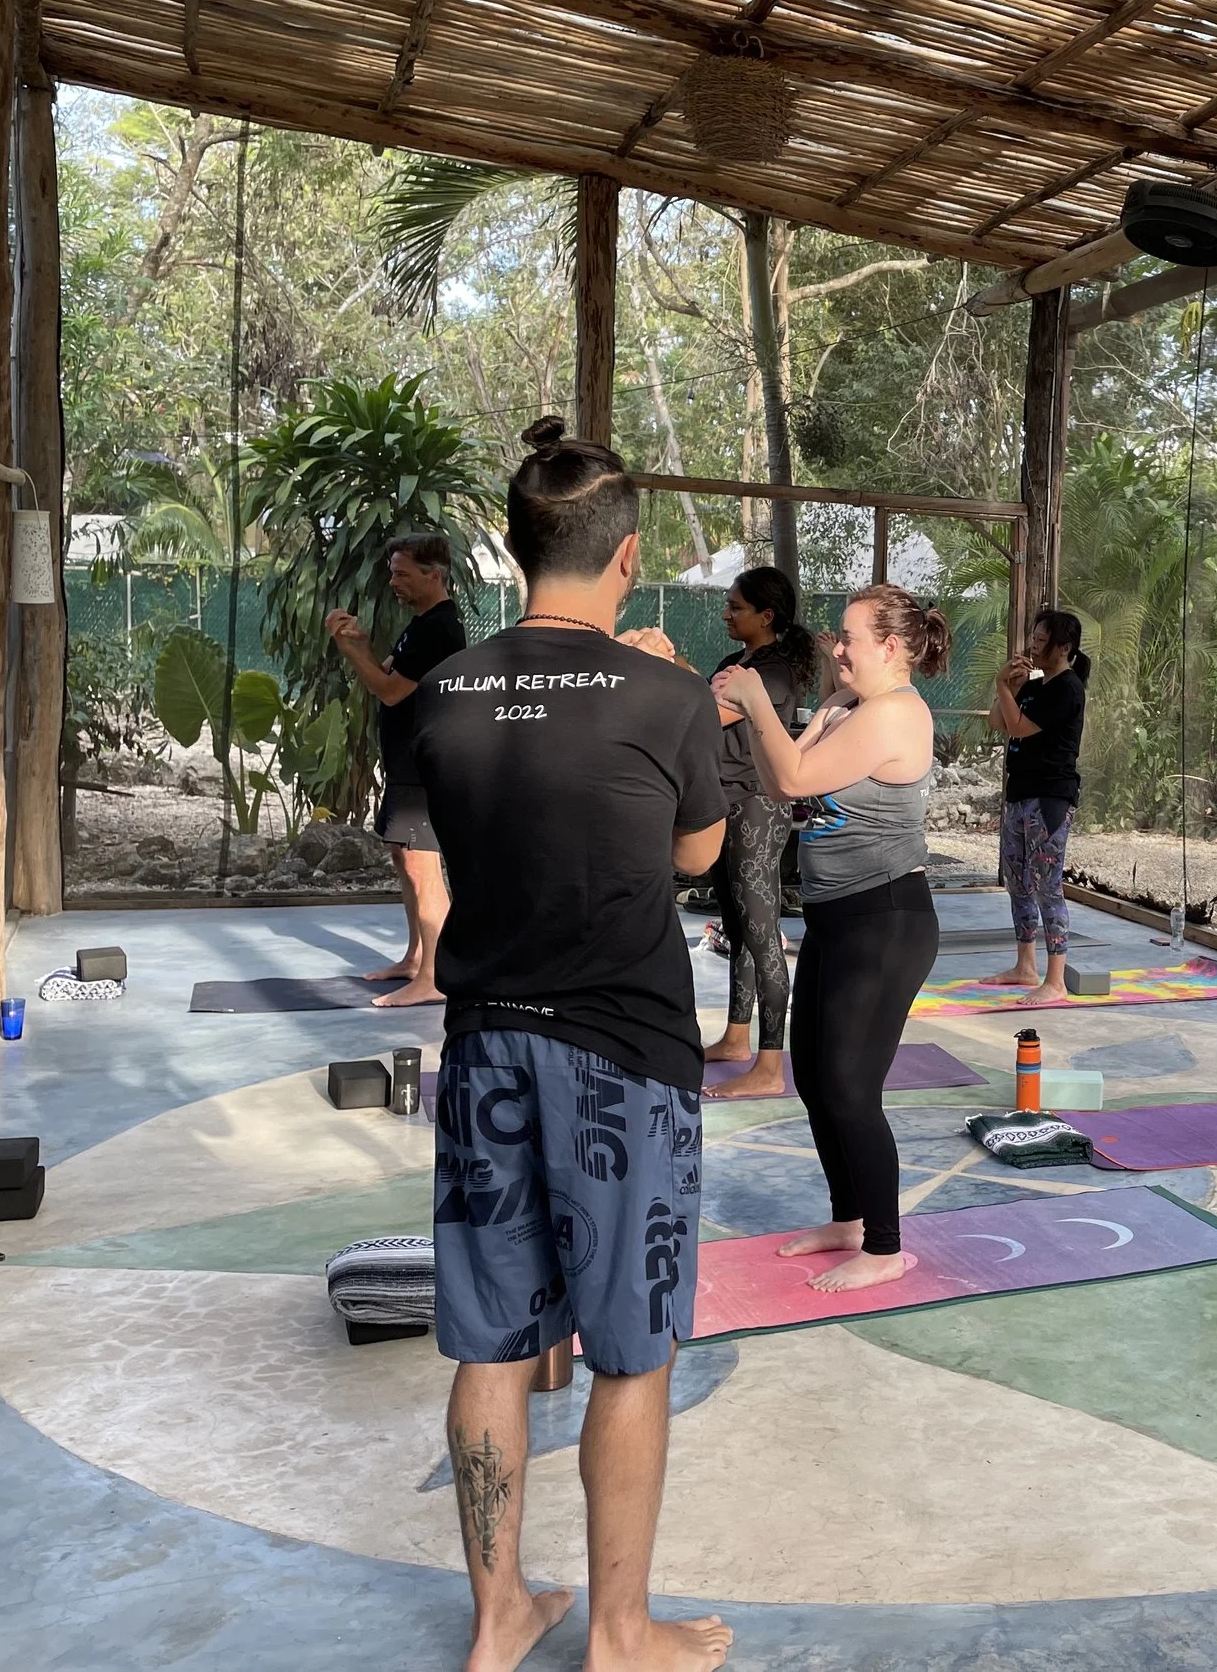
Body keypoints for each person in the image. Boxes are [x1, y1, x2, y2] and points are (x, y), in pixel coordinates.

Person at [412, 417, 733, 1672]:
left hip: (487, 1043)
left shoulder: (445, 692)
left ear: (511, 542)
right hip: (624, 1057)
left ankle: (498, 1620)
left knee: (491, 1342)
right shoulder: (663, 693)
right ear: (627, 554)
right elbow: (697, 856)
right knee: (628, 1351)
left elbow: (454, 835)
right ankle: (615, 1631)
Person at [719, 582, 946, 1294]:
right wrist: (765, 717)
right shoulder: (846, 706)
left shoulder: (896, 714)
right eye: (838, 636)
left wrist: (755, 698)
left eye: (849, 638)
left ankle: (884, 1245)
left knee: (850, 1086)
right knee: (815, 1077)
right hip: (834, 918)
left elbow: (790, 770)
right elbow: (782, 781)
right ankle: (849, 1218)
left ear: (893, 647)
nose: (836, 647)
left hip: (886, 920)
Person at [326, 533, 465, 1007]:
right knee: (404, 859)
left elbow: (388, 690)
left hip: (425, 767)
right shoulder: (420, 625)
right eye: (392, 572)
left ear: (434, 575)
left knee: (424, 870)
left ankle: (435, 975)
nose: (393, 582)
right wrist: (361, 644)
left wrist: (351, 652)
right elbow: (385, 672)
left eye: (403, 573)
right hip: (408, 764)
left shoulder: (439, 628)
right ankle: (415, 957)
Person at [699, 567, 817, 1101]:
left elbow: (702, 714)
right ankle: (736, 1038)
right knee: (735, 925)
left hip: (756, 805)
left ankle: (770, 1067)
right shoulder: (733, 664)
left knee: (762, 930)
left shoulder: (774, 673)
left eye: (736, 606)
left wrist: (660, 668)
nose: (727, 613)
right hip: (723, 802)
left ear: (766, 616)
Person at [988, 607, 1088, 1003]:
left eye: (1041, 639)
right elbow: (999, 720)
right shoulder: (1034, 685)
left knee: (1048, 886)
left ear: (1063, 647)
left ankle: (1056, 980)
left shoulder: (1067, 688)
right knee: (1017, 881)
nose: (1033, 644)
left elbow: (1018, 727)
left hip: (1050, 797)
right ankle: (1025, 965)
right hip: (1020, 794)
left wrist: (1001, 685)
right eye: (1033, 636)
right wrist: (1008, 688)